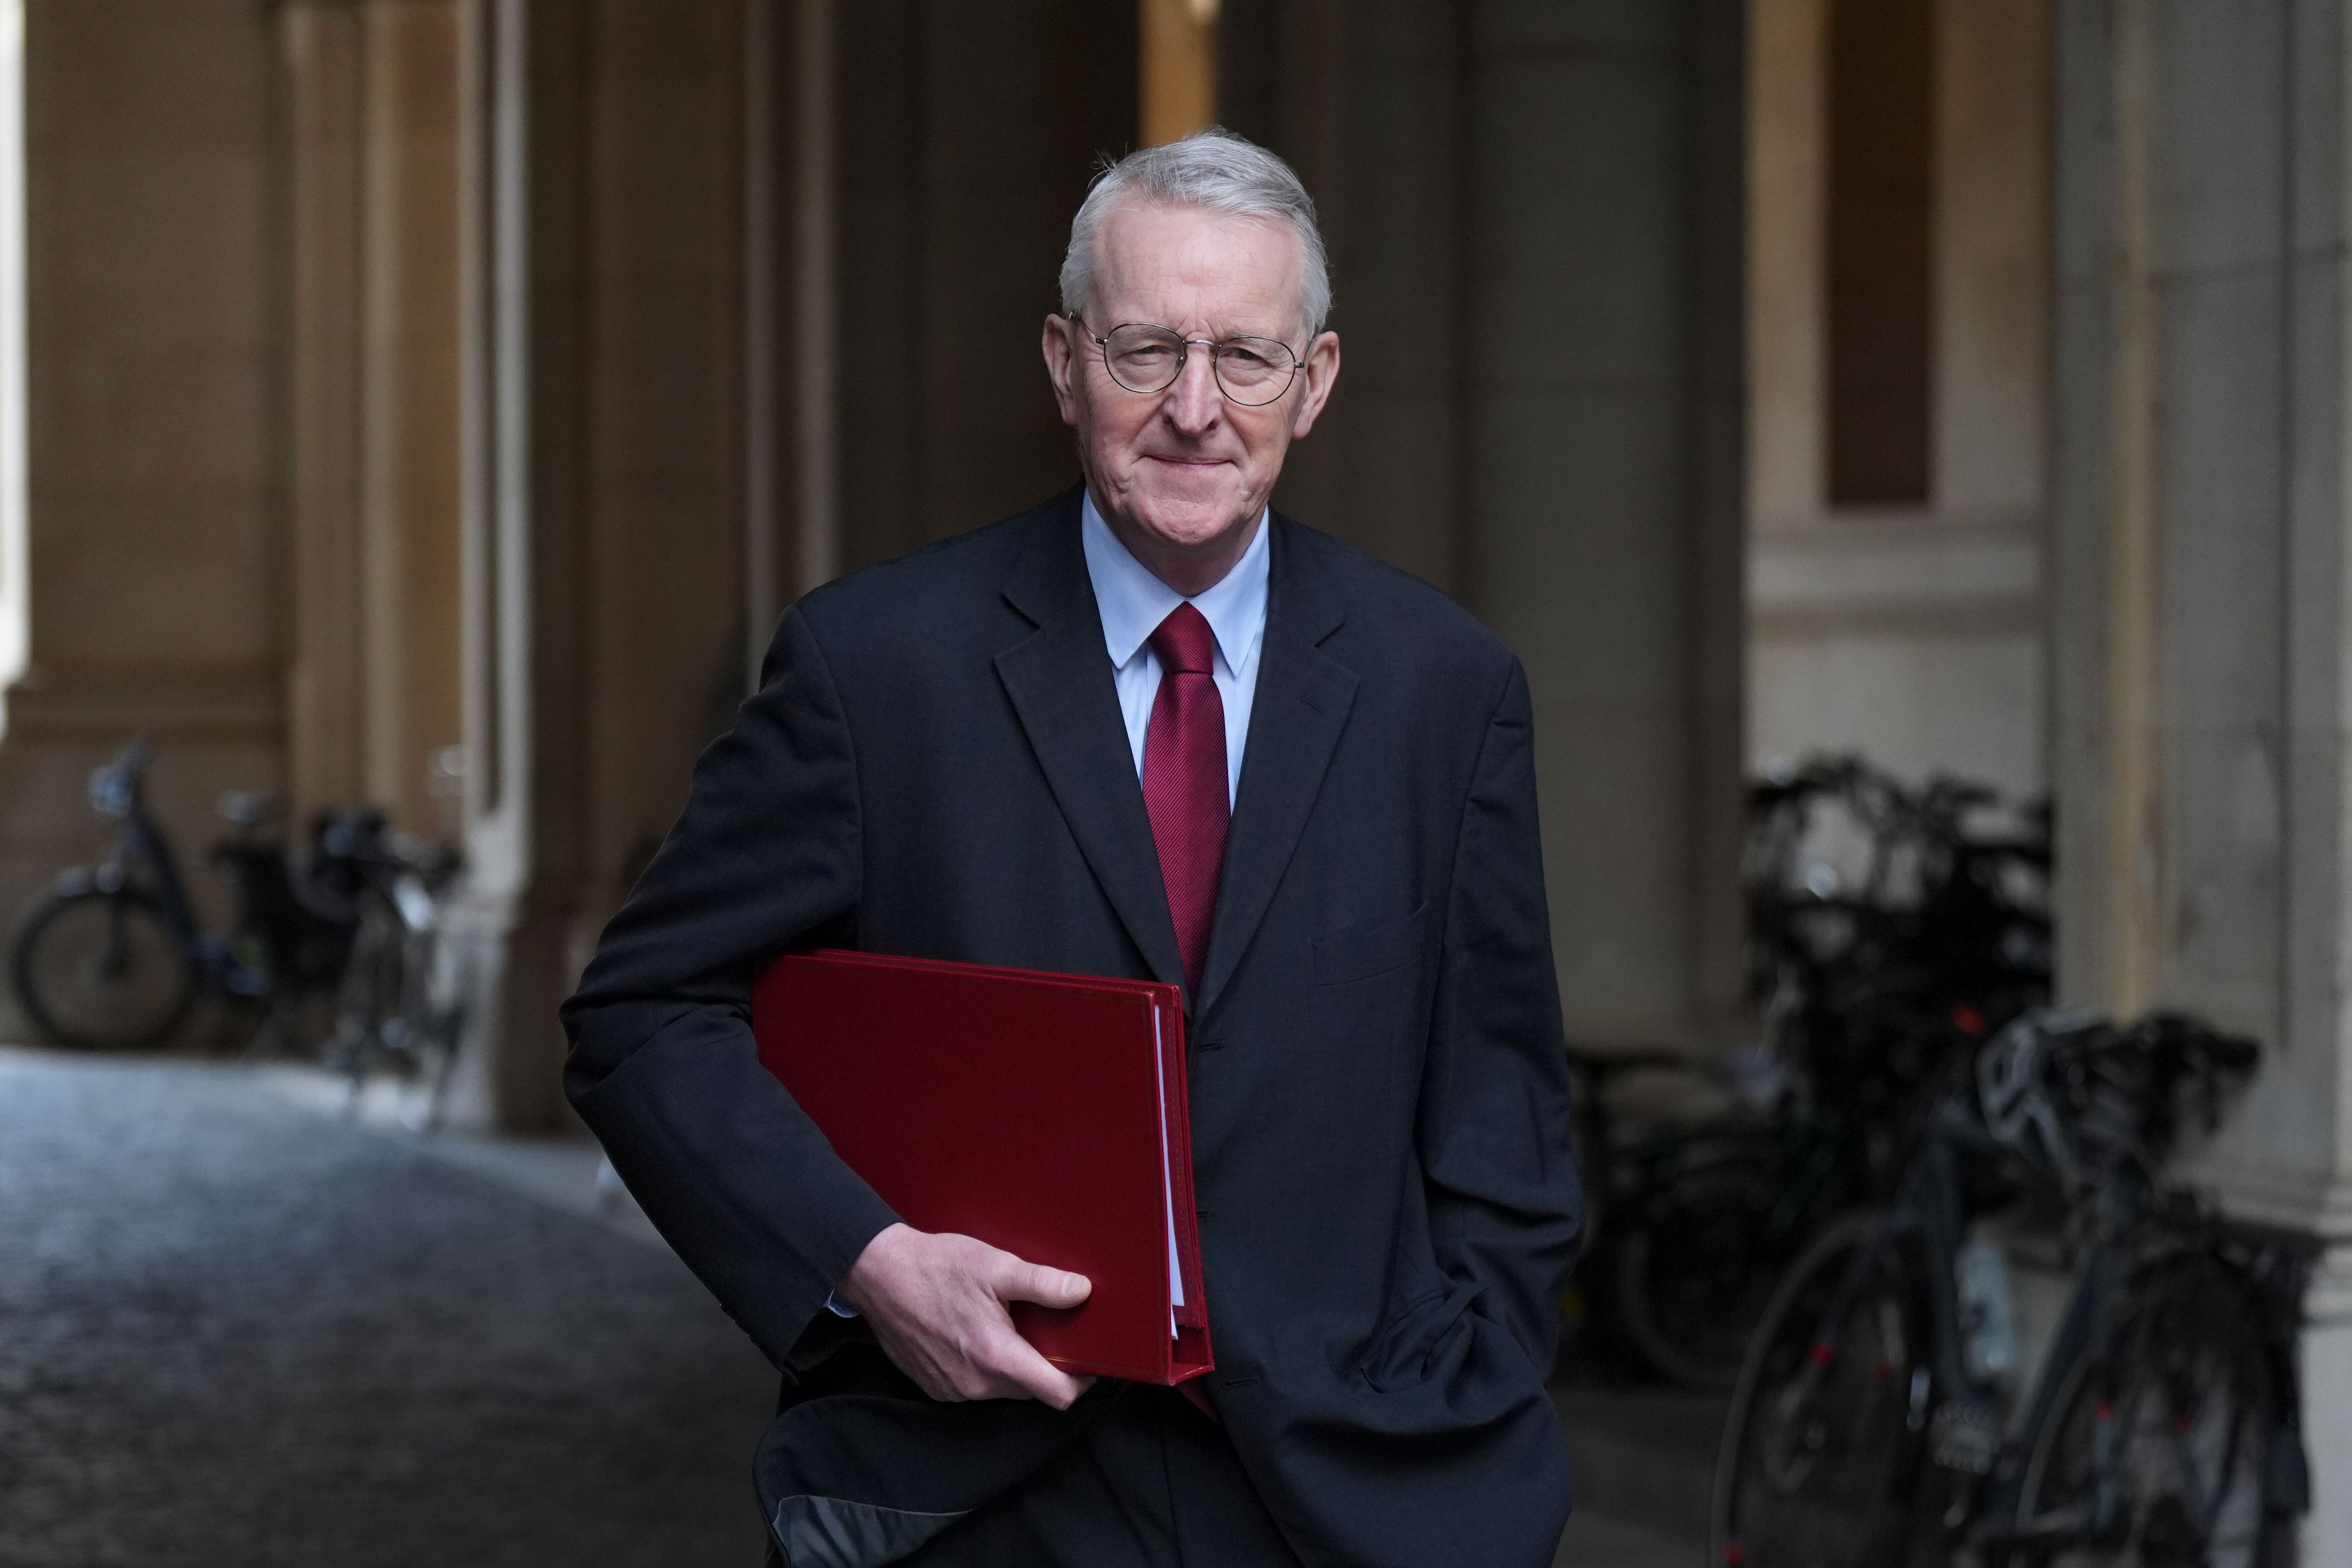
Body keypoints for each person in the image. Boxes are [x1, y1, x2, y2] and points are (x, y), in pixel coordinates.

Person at [562, 128, 1582, 1568]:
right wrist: (868, 1264)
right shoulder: (877, 667)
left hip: (1350, 1496)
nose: (1196, 407)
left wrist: (1469, 1395)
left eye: (1247, 357)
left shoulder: (1445, 687)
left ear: (1321, 380)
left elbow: (1503, 1114)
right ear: (1061, 360)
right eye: (1145, 348)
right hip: (976, 1494)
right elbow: (642, 1016)